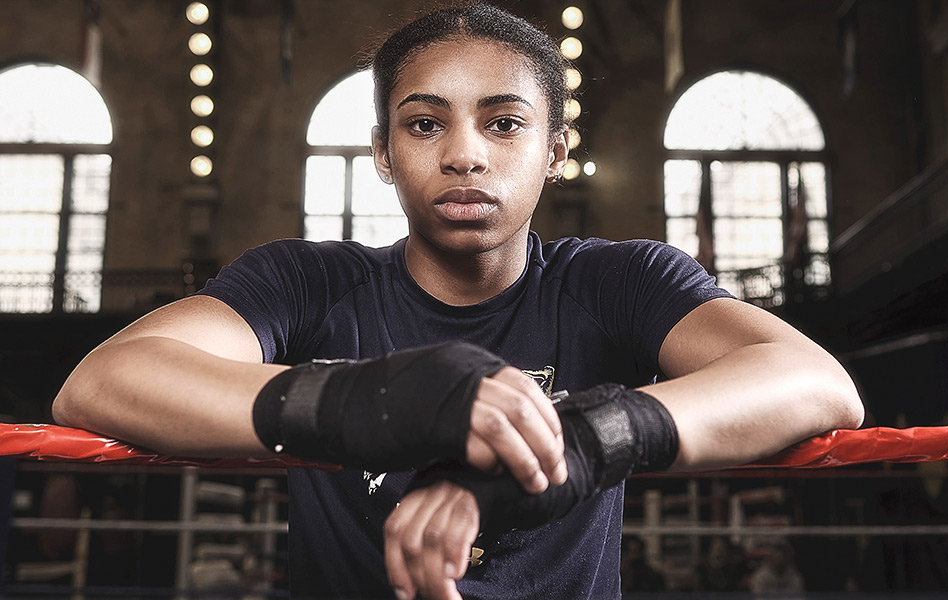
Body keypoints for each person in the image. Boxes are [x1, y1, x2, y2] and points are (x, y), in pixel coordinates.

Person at [52, 4, 863, 599]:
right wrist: (372, 397)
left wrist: (576, 443)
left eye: (505, 123)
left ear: (556, 152)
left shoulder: (614, 281)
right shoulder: (307, 281)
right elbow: (102, 381)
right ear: (382, 151)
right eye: (424, 124)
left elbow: (817, 382)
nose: (465, 154)